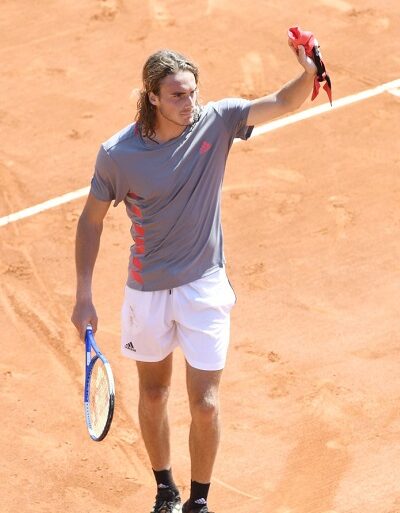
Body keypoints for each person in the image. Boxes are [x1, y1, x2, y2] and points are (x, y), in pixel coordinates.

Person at [71, 40, 317, 513]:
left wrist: (308, 72)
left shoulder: (217, 121)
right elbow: (90, 222)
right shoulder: (118, 154)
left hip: (204, 285)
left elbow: (284, 102)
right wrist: (83, 295)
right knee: (154, 393)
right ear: (153, 97)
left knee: (205, 403)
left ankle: (198, 501)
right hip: (147, 291)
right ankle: (165, 489)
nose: (189, 104)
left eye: (192, 92)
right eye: (178, 96)